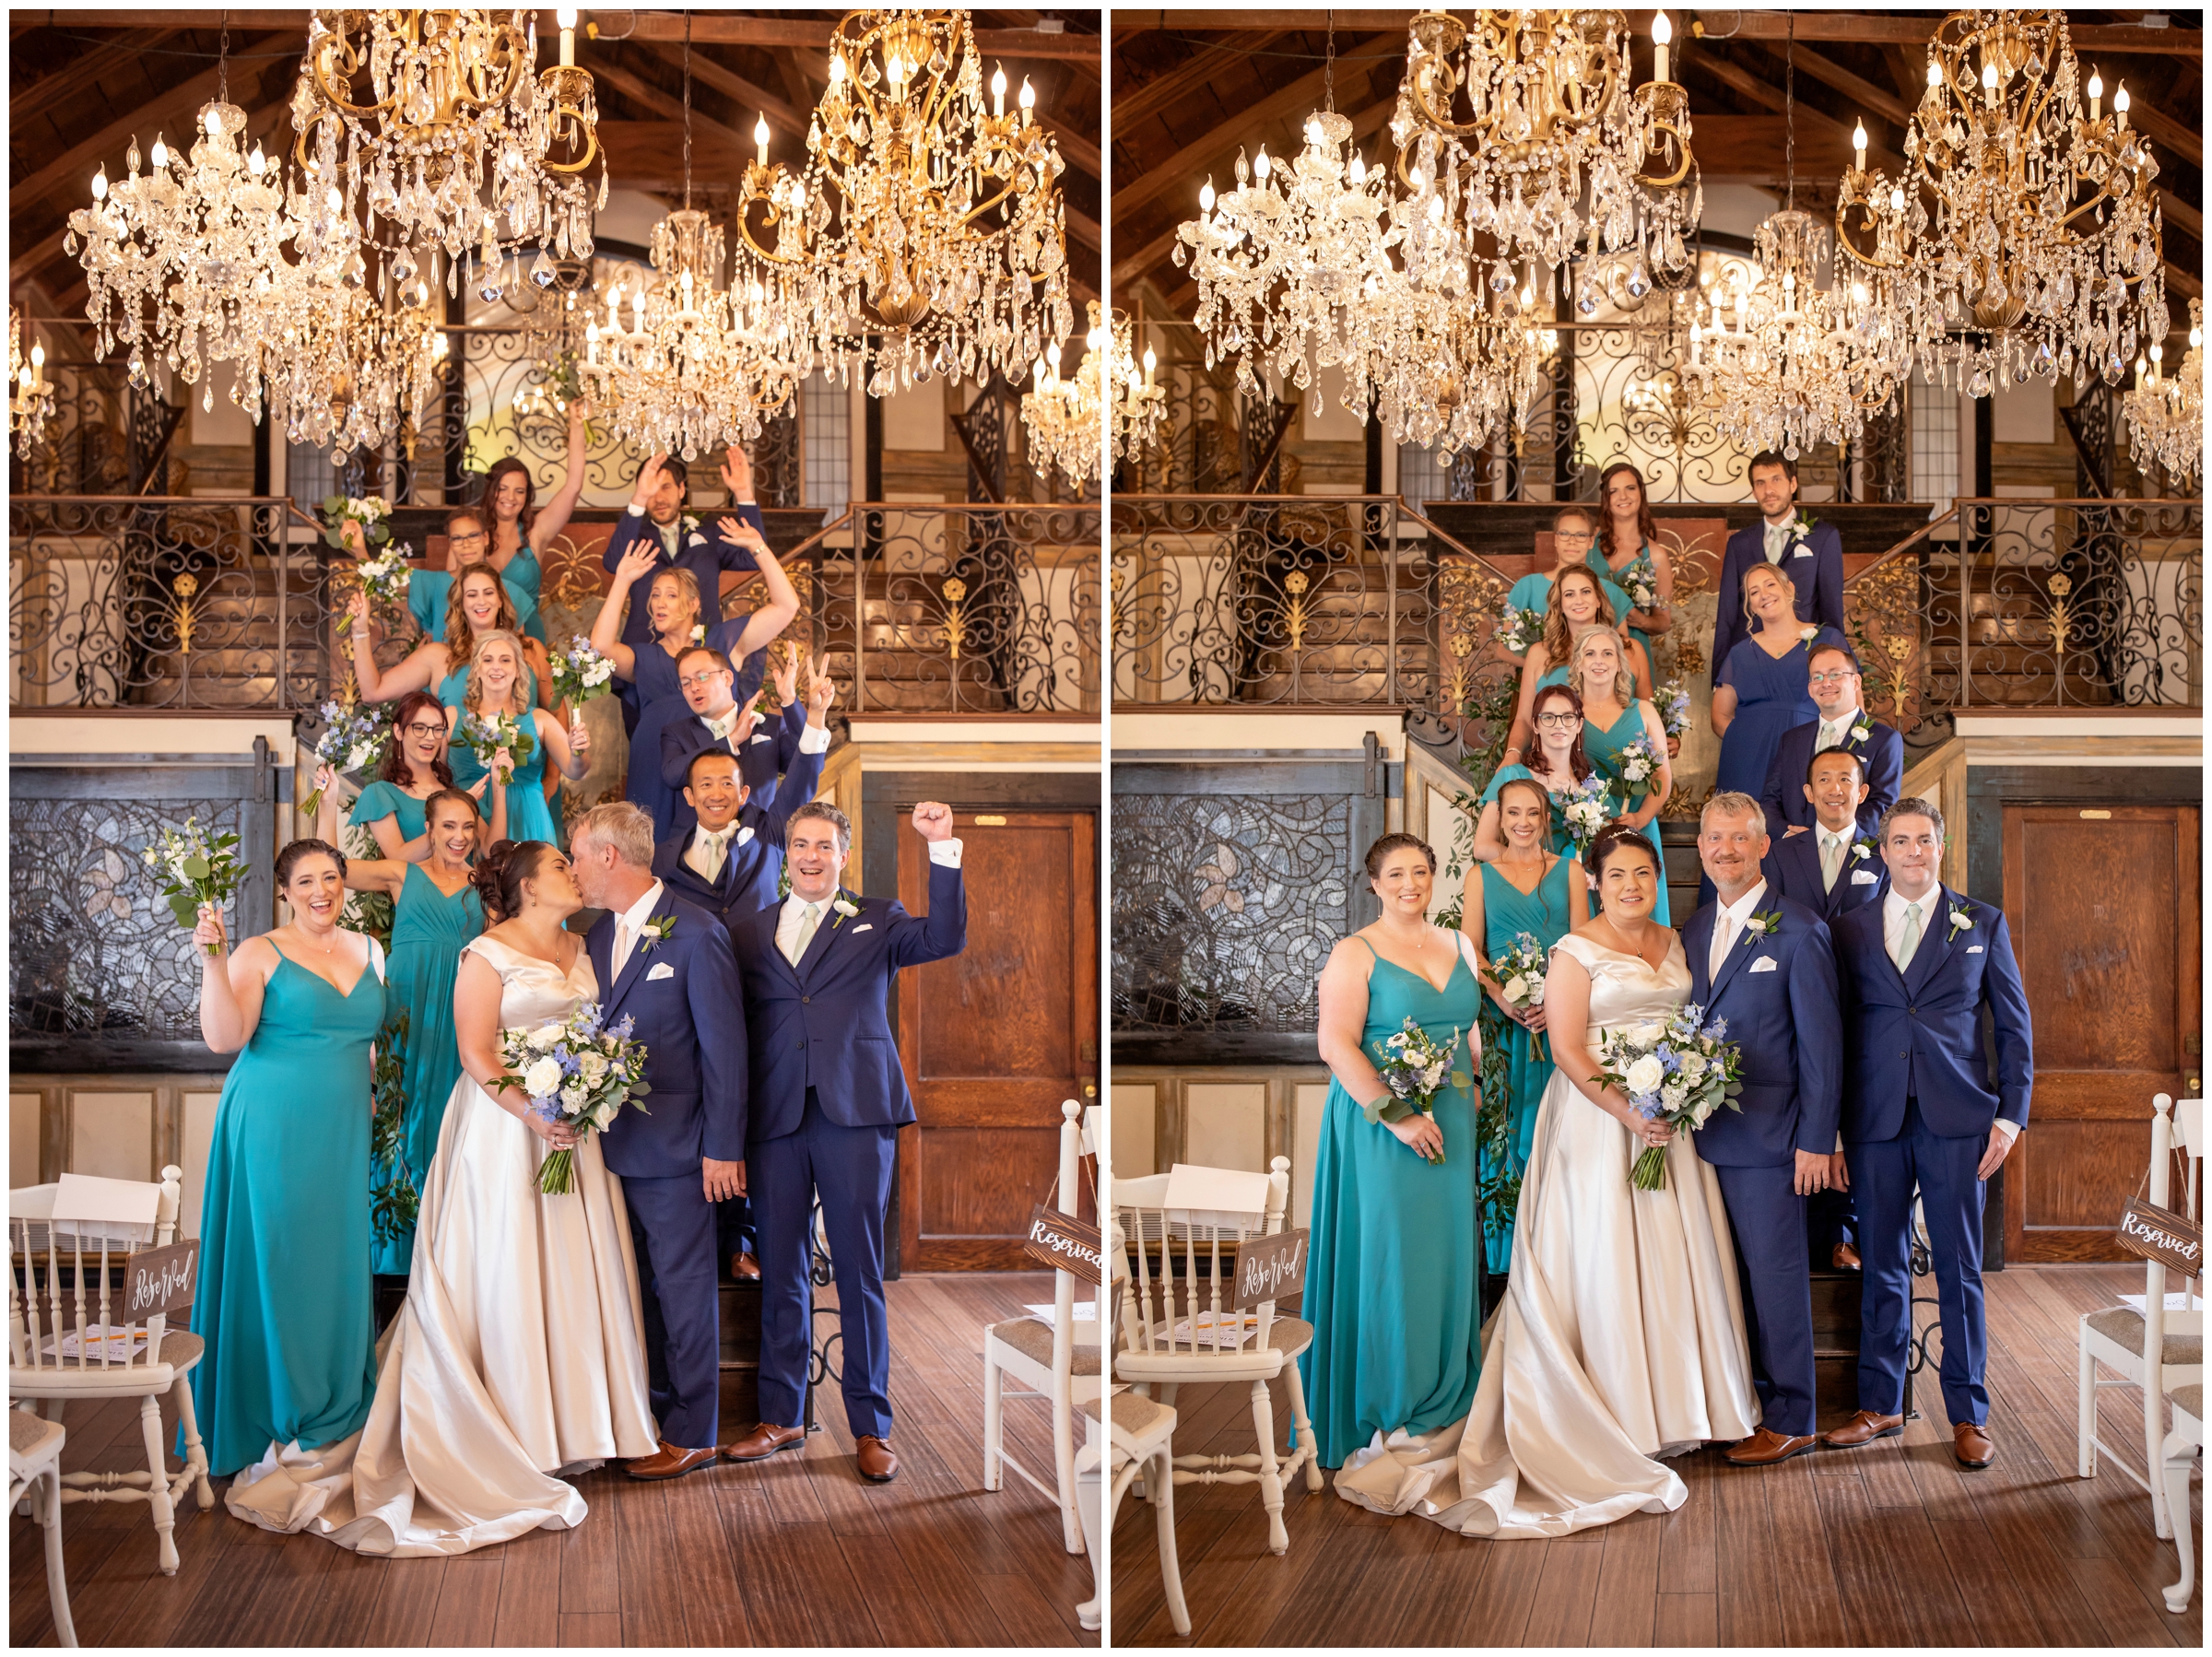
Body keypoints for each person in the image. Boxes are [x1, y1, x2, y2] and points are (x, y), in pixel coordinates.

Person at [222, 840, 660, 1551]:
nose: (572, 875)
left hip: (573, 1133)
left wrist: (587, 1093)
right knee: (507, 1268)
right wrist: (534, 1111)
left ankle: (577, 1422)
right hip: (505, 1129)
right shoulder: (482, 954)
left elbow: (592, 1033)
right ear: (523, 885)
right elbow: (475, 1052)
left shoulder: (585, 945)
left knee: (576, 1269)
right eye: (557, 866)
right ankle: (510, 1421)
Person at [1335, 824, 1757, 1533]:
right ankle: (1614, 1407)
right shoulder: (1573, 948)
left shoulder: (1675, 941)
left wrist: (1683, 1091)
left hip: (1669, 1127)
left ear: (1657, 879)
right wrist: (1629, 1109)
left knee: (1672, 1255)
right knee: (1604, 1257)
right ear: (1595, 882)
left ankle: (1684, 1404)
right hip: (1599, 1122)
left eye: (1642, 875)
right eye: (1617, 875)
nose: (1631, 886)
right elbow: (1564, 1048)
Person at [724, 800, 967, 1486]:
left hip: (856, 1113)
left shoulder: (880, 919)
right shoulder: (748, 932)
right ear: (787, 854)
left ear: (843, 855)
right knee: (782, 1266)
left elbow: (944, 937)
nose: (810, 856)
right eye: (800, 845)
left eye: (823, 846)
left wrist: (941, 847)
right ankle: (782, 1413)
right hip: (773, 1119)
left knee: (859, 1270)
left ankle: (870, 1426)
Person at [1824, 799, 2032, 1472]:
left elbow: (2013, 1028)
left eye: (1925, 840)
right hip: (1874, 1119)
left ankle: (1967, 1413)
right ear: (1882, 852)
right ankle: (1882, 1404)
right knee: (1881, 1263)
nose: (1913, 851)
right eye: (1901, 841)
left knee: (1959, 1270)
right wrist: (1828, 1125)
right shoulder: (1849, 930)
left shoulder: (1982, 923)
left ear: (1941, 848)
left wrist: (2010, 1115)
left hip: (1957, 1122)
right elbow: (1832, 1032)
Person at [186, 840, 387, 1482]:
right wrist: (213, 964)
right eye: (306, 881)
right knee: (280, 1256)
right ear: (284, 891)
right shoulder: (259, 951)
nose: (322, 890)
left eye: (331, 877)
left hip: (345, 1126)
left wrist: (373, 1098)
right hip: (273, 1122)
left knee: (333, 1257)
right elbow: (224, 1037)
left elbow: (369, 1044)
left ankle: (334, 1397)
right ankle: (278, 1406)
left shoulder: (370, 950)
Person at [571, 805, 749, 1479]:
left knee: (683, 1291)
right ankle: (647, 1417)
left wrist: (723, 1147)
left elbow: (725, 1051)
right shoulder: (594, 937)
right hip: (611, 1150)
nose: (577, 868)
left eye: (580, 855)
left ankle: (695, 1430)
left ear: (609, 857)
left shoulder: (697, 933)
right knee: (638, 1293)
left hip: (681, 1152)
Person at [1302, 835, 1484, 1478]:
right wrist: (1398, 1116)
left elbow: (1468, 1033)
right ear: (1374, 884)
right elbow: (1335, 1043)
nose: (1411, 883)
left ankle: (1440, 1389)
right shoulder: (1355, 952)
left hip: (1453, 1119)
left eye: (1422, 872)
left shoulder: (1459, 944)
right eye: (1397, 874)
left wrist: (1475, 1091)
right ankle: (1387, 1397)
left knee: (1442, 1255)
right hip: (1382, 1126)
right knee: (1389, 1254)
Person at [1679, 793, 1841, 1466]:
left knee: (1775, 1279)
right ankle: (1736, 1403)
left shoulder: (1799, 931)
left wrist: (1817, 1139)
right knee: (1723, 1281)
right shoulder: (1691, 931)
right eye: (1715, 839)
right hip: (1700, 1137)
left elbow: (1823, 1048)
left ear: (1764, 846)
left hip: (1774, 1141)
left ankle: (1793, 1414)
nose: (1725, 850)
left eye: (1739, 840)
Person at [315, 776, 495, 1274]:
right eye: (448, 826)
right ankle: (391, 1253)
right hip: (406, 1010)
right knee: (399, 1113)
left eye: (467, 826)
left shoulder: (486, 886)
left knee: (450, 1115)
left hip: (461, 1008)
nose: (459, 836)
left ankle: (449, 1252)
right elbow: (331, 869)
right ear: (430, 830)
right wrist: (328, 802)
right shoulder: (401, 873)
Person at [1459, 780, 1586, 1272]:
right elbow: (1473, 949)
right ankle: (1508, 1257)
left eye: (1533, 812)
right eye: (1514, 813)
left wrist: (1554, 1002)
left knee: (1558, 1127)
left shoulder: (1570, 872)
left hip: (1561, 1019)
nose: (1524, 822)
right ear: (1500, 818)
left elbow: (1581, 946)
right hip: (1503, 1021)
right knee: (1508, 1127)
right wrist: (1505, 998)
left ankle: (1561, 1252)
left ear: (1545, 817)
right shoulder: (1480, 877)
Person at [593, 537, 799, 831]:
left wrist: (758, 547)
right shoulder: (643, 656)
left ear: (693, 603)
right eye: (654, 595)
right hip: (654, 758)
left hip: (717, 758)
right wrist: (622, 581)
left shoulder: (723, 643)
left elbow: (786, 606)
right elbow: (599, 649)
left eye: (670, 595)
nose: (659, 603)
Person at [602, 450, 780, 737]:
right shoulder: (635, 535)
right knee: (645, 740)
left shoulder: (708, 532)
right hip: (645, 662)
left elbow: (750, 557)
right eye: (650, 490)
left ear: (682, 489)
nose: (658, 498)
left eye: (667, 487)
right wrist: (637, 500)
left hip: (704, 657)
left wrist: (745, 494)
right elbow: (613, 562)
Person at [657, 659, 835, 928]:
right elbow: (671, 773)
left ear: (743, 793)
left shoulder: (768, 831)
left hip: (758, 954)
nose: (717, 794)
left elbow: (804, 772)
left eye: (728, 784)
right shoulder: (664, 857)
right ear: (690, 795)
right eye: (706, 784)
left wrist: (809, 712)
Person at [349, 554, 556, 715]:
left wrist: (552, 772)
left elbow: (557, 713)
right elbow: (372, 692)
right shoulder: (438, 656)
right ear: (461, 604)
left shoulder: (532, 650)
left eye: (489, 593)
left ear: (501, 599)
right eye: (472, 595)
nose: (481, 601)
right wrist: (359, 631)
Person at [1564, 626, 1673, 923]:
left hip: (1635, 823)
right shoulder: (1566, 713)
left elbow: (1662, 774)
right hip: (1584, 829)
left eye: (1607, 653)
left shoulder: (1644, 711)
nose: (1599, 661)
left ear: (1619, 663)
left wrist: (1641, 818)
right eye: (1590, 654)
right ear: (1578, 663)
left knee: (1638, 906)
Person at [1712, 562, 1847, 801]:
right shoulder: (1740, 653)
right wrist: (1749, 742)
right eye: (1754, 592)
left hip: (1809, 758)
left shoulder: (1828, 639)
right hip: (1746, 764)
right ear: (1751, 606)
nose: (1763, 595)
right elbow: (1719, 716)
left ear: (1790, 589)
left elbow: (1853, 707)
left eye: (1770, 584)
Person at [443, 629, 590, 848]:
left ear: (518, 670)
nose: (496, 667)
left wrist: (579, 752)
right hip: (467, 822)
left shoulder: (540, 719)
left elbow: (575, 770)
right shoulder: (451, 716)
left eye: (505, 660)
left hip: (527, 819)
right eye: (488, 659)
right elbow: (434, 776)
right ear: (477, 669)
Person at [1500, 564, 1653, 763]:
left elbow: (1649, 715)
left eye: (1586, 592)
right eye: (1569, 594)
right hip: (1553, 769)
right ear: (1559, 604)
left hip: (1621, 767)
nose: (1578, 600)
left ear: (1599, 599)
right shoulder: (1539, 654)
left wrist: (1668, 739)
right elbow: (1523, 719)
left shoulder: (1631, 650)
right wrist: (1512, 754)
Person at [1712, 450, 1845, 670]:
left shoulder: (1823, 537)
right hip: (1750, 658)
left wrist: (1837, 668)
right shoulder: (1739, 543)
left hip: (1805, 658)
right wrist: (1719, 676)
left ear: (1793, 484)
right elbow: (1726, 614)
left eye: (1776, 480)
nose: (1769, 490)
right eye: (1760, 483)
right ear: (1754, 491)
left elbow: (1831, 610)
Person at [1759, 641, 1904, 838]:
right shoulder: (1791, 739)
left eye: (1835, 674)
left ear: (1856, 682)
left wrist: (1828, 836)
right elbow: (1770, 799)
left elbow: (1882, 806)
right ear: (1810, 689)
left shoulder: (1885, 740)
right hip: (1792, 852)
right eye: (1817, 677)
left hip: (1851, 853)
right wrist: (1785, 833)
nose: (1826, 683)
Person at [658, 644, 804, 837]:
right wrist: (731, 740)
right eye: (685, 683)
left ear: (727, 677)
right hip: (696, 849)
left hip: (759, 847)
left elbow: (805, 762)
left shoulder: (771, 726)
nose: (694, 687)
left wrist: (790, 701)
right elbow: (672, 775)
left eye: (702, 677)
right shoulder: (676, 733)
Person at [476, 404, 594, 636]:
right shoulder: (472, 534)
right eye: (503, 489)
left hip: (528, 635)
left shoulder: (536, 533)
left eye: (519, 491)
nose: (510, 498)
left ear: (527, 496)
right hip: (479, 634)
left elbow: (573, 486)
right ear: (491, 491)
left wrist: (576, 424)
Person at [1473, 683, 1606, 866]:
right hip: (1534, 886)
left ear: (1579, 724)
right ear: (1535, 724)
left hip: (1585, 889)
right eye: (1548, 717)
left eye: (1568, 717)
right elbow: (1483, 846)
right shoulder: (1512, 775)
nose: (1559, 725)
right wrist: (1547, 869)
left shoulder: (1591, 785)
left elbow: (1608, 849)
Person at [1761, 746, 1888, 922]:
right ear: (1809, 793)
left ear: (1862, 793)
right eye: (1824, 779)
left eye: (1845, 779)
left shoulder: (1883, 855)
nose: (1835, 790)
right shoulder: (1780, 854)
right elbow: (1770, 919)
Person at [347, 690, 472, 862]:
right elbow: (398, 858)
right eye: (419, 728)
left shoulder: (457, 793)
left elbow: (489, 849)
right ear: (398, 731)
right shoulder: (379, 794)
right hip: (416, 888)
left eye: (437, 729)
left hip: (466, 886)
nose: (430, 737)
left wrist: (499, 783)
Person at [398, 507, 547, 650]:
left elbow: (518, 651)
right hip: (445, 669)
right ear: (450, 543)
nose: (466, 544)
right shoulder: (432, 583)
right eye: (457, 538)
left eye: (473, 536)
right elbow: (383, 578)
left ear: (486, 538)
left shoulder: (512, 591)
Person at [1503, 505, 1636, 658]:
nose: (1572, 541)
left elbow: (1624, 651)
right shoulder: (1527, 586)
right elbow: (1503, 650)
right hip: (1541, 679)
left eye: (1580, 535)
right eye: (1565, 534)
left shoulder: (1611, 591)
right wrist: (1549, 671)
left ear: (1591, 541)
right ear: (1556, 539)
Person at [1593, 463, 1673, 666]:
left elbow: (1663, 621)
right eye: (1614, 491)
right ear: (1605, 499)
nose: (1623, 497)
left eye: (1630, 488)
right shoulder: (1587, 542)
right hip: (1588, 647)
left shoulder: (1656, 555)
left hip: (1633, 653)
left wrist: (1640, 620)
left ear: (1641, 493)